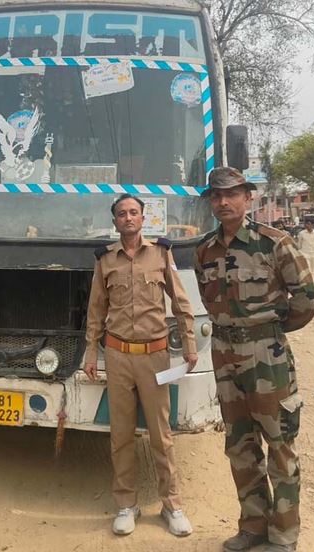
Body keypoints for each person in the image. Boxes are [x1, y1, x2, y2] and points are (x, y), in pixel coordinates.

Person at [194, 168, 314, 552]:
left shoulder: (275, 243)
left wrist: (269, 331)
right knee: (239, 445)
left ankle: (283, 535)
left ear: (248, 198)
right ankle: (253, 526)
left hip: (267, 355)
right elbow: (209, 301)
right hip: (224, 355)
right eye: (216, 196)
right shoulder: (204, 250)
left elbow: (306, 300)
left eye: (232, 194)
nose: (223, 202)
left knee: (279, 444)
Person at [84, 193, 198, 537]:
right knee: (121, 435)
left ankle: (172, 505)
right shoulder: (105, 260)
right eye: (122, 213)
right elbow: (96, 309)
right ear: (115, 221)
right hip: (118, 356)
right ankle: (126, 504)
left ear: (143, 218)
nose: (128, 218)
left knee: (161, 435)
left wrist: (190, 345)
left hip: (154, 357)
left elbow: (181, 303)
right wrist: (91, 351)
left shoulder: (162, 253)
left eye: (134, 212)